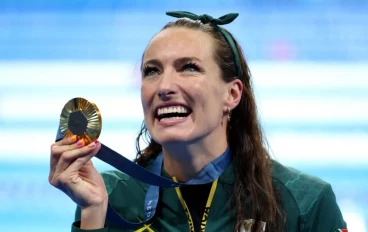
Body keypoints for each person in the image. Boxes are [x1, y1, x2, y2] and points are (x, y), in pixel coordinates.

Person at [49, 11, 347, 232]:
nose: (164, 87)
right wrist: (94, 211)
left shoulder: (305, 203)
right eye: (152, 71)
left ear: (232, 94)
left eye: (188, 68)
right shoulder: (112, 196)